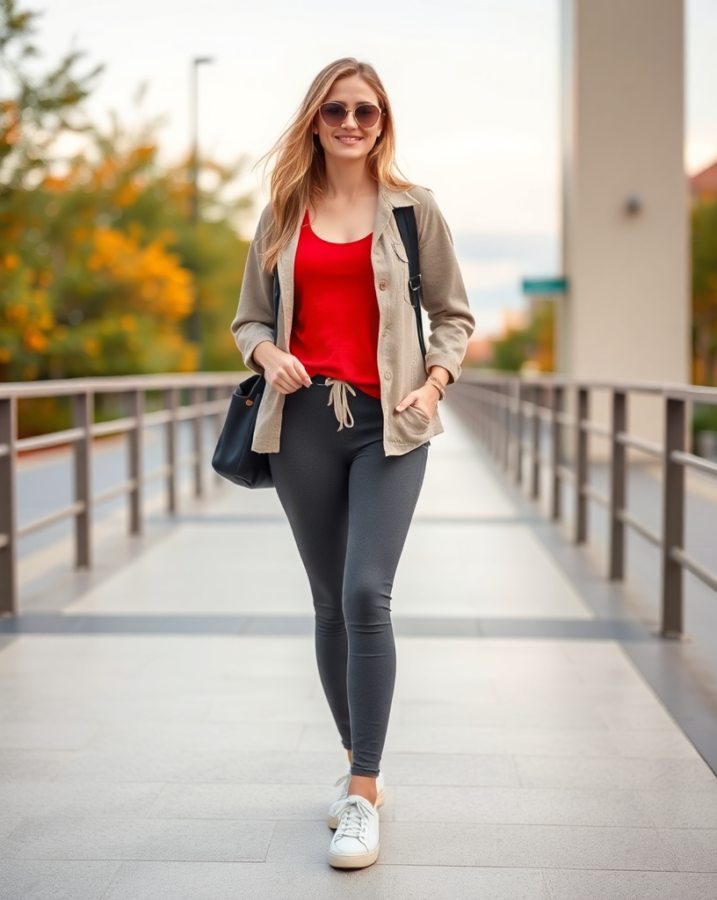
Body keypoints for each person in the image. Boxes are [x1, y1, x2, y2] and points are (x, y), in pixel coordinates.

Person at [231, 57, 474, 869]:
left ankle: (363, 792)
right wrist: (268, 356)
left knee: (368, 590)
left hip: (390, 425)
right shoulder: (282, 213)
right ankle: (353, 763)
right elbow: (247, 321)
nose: (349, 122)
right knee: (329, 602)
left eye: (365, 111)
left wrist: (434, 383)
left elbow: (453, 313)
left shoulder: (413, 210)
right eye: (335, 109)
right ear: (314, 119)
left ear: (382, 121)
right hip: (301, 422)